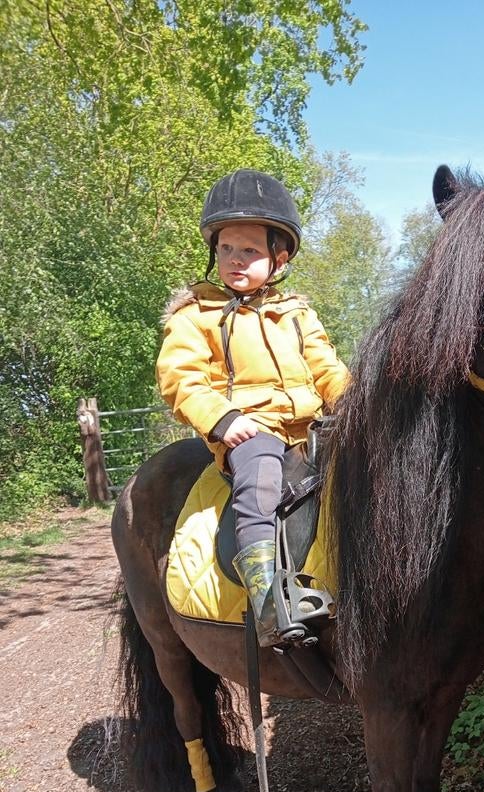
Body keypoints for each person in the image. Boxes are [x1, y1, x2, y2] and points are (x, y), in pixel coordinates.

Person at [156, 169, 349, 644]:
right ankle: (267, 601)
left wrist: (354, 405)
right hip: (250, 429)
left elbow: (328, 370)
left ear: (278, 260)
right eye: (225, 249)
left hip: (309, 427)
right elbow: (180, 378)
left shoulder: (298, 314)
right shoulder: (195, 314)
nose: (234, 260)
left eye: (249, 251)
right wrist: (223, 420)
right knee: (261, 470)